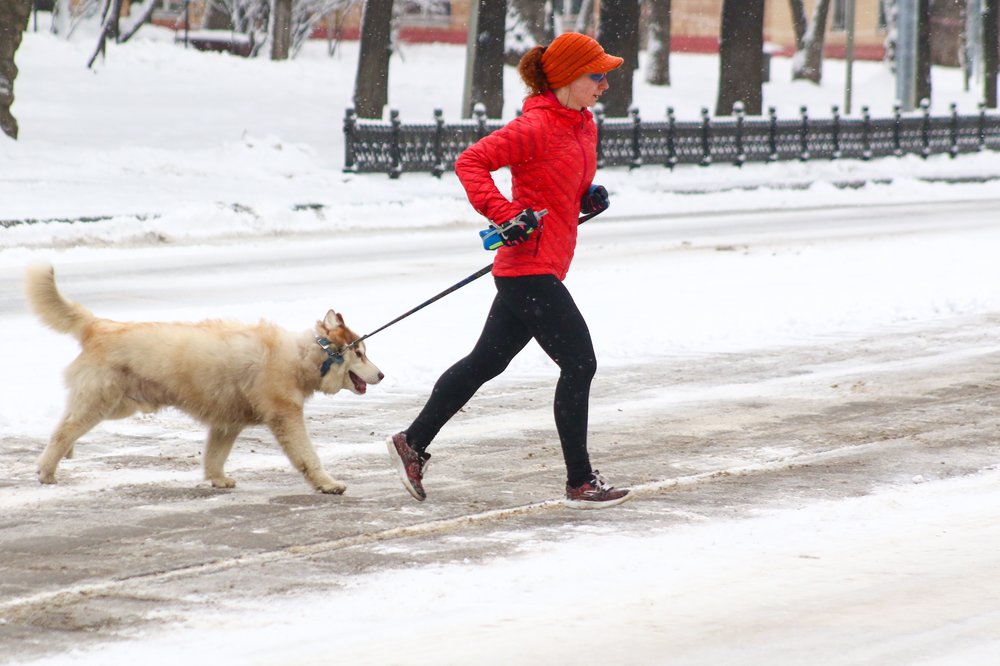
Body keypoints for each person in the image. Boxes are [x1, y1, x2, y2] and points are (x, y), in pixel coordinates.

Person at [386, 32, 631, 509]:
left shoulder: (582, 125)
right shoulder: (535, 126)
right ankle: (580, 480)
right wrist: (503, 212)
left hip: (544, 265)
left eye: (606, 76)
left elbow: (555, 183)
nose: (604, 85)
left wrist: (585, 196)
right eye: (596, 76)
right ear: (566, 79)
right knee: (580, 363)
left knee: (486, 362)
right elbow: (471, 161)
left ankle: (412, 442)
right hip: (528, 268)